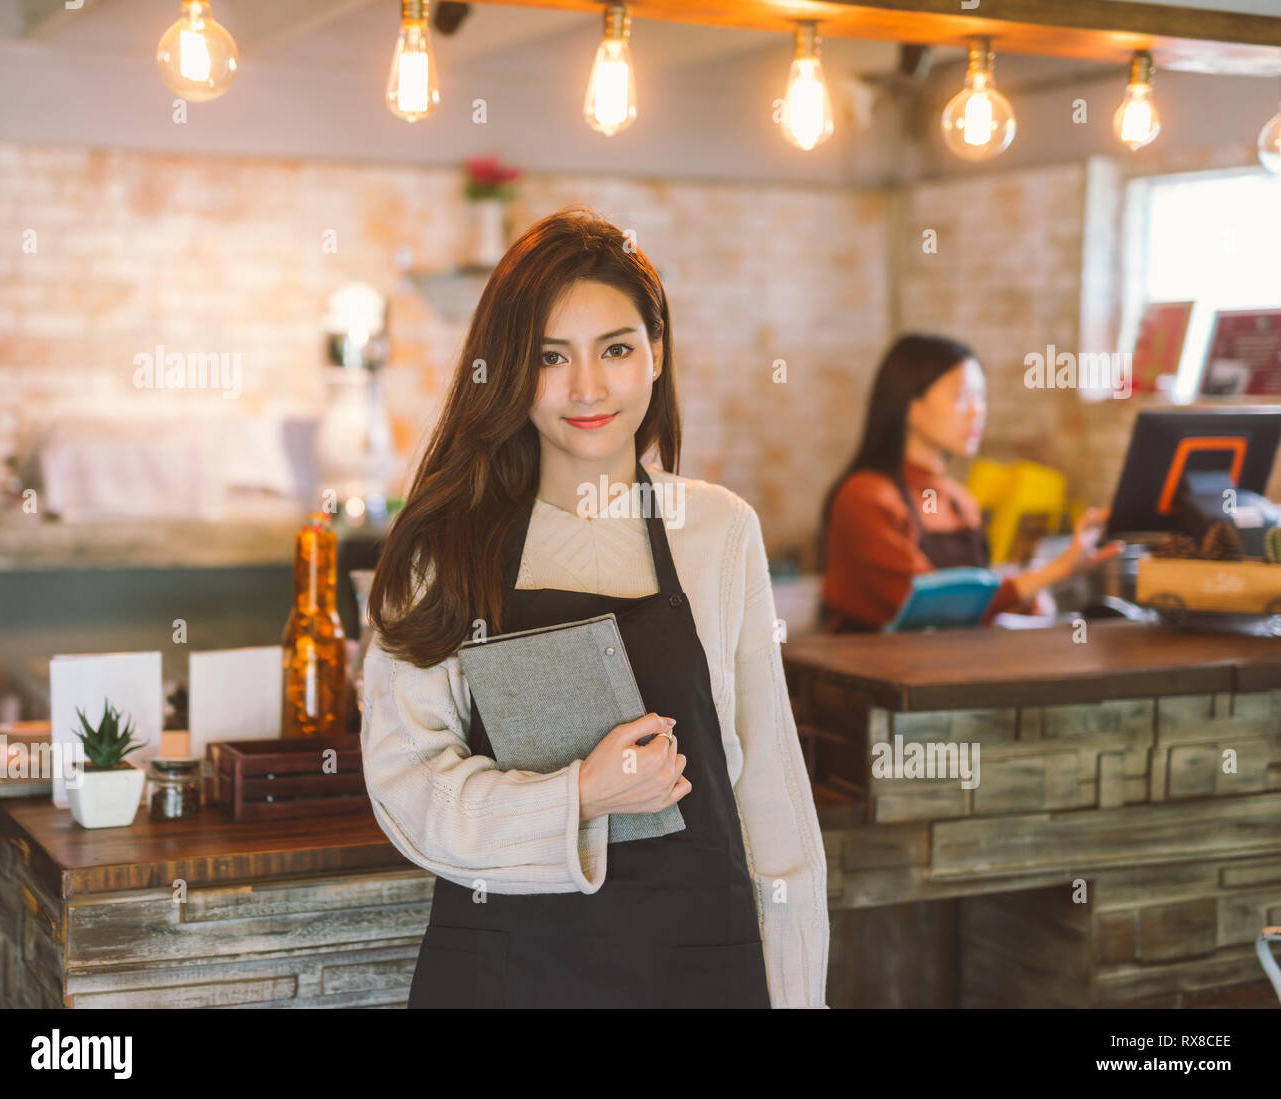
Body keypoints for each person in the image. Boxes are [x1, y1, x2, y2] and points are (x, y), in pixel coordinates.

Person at [360, 205, 829, 1009]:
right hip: (506, 976)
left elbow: (773, 798)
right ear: (508, 369)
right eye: (551, 356)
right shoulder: (446, 545)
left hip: (698, 972)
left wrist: (799, 997)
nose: (588, 388)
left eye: (615, 348)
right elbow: (408, 790)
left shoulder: (719, 531)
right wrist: (579, 794)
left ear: (656, 354)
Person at [819, 333, 1123, 632]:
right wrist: (1058, 569)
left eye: (981, 398)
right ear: (910, 403)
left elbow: (978, 608)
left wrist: (1025, 601)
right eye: (962, 396)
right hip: (879, 676)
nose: (978, 412)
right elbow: (931, 605)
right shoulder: (864, 497)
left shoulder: (961, 502)